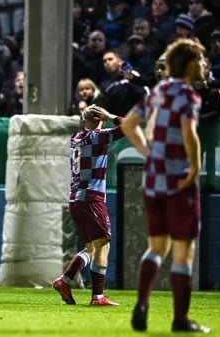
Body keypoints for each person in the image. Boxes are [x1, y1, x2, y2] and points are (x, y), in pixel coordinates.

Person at [120, 38, 211, 333]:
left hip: (152, 181)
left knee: (156, 247)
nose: (204, 65)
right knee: (183, 250)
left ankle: (142, 302)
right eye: (200, 60)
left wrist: (148, 152)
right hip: (178, 180)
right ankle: (180, 319)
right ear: (188, 64)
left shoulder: (157, 91)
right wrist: (195, 167)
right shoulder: (188, 95)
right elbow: (189, 133)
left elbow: (128, 124)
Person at [52, 105, 123, 307]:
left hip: (75, 199)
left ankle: (64, 281)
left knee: (90, 247)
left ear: (82, 121)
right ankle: (98, 296)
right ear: (101, 121)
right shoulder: (96, 137)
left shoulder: (76, 137)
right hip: (91, 199)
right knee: (103, 245)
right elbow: (129, 127)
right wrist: (111, 116)